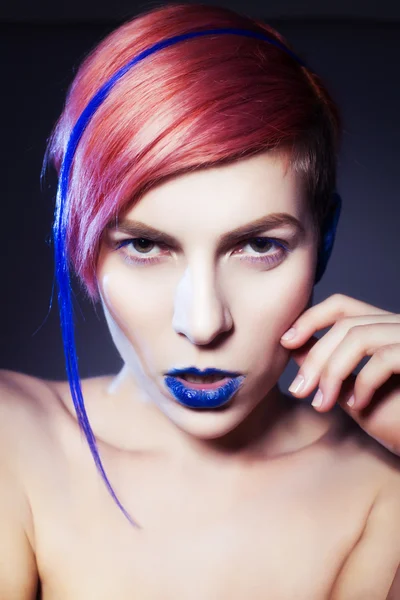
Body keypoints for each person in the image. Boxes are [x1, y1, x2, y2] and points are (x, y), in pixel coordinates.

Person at [1, 2, 400, 598]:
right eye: (144, 245)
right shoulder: (12, 438)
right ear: (76, 243)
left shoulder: (385, 483)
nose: (204, 323)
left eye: (259, 245)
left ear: (325, 240)